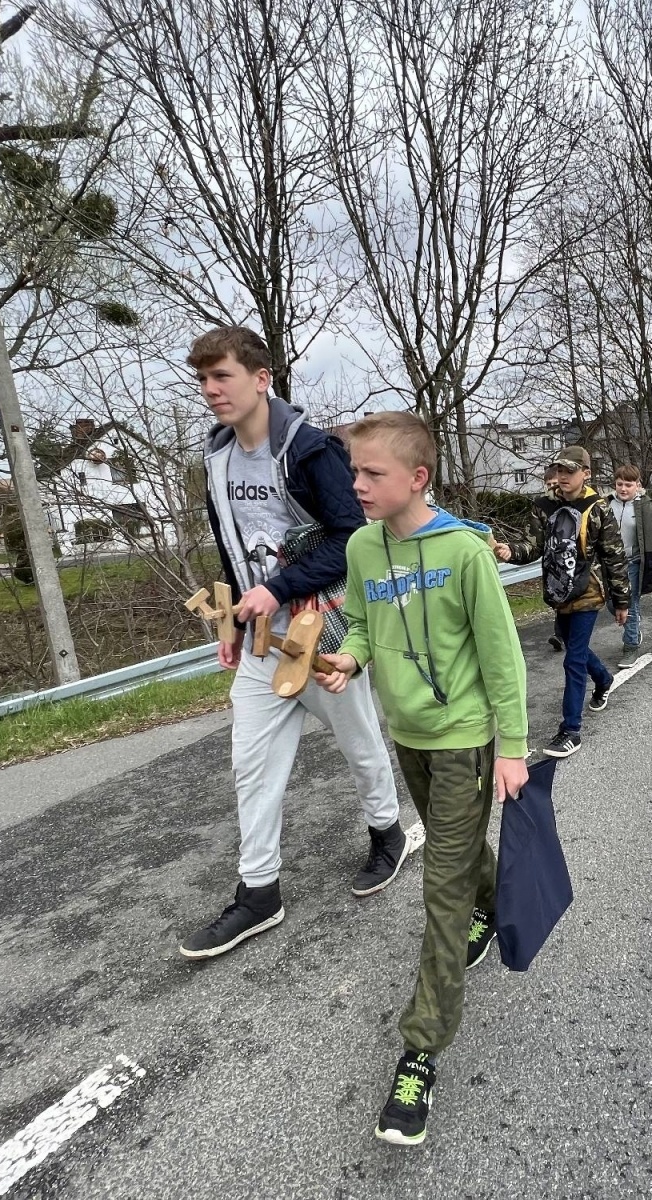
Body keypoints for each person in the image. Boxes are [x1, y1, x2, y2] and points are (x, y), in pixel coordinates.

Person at [312, 412, 528, 1148]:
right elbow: (368, 623)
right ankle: (495, 904)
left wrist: (513, 746)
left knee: (440, 884)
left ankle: (421, 1052)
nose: (357, 484)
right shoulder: (364, 547)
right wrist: (351, 659)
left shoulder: (464, 551)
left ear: (417, 477)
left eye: (372, 473)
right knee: (452, 844)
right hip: (407, 735)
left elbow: (501, 654)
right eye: (354, 471)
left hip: (465, 739)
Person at [184, 326, 405, 960]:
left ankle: (387, 834)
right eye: (202, 379)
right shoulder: (217, 459)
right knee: (251, 765)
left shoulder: (311, 452)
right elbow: (234, 545)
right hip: (260, 639)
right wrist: (234, 618)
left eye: (221, 376)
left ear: (262, 378)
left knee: (360, 744)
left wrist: (277, 590)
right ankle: (259, 892)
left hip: (324, 629)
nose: (210, 390)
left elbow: (350, 541)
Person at [494, 445, 629, 758]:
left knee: (573, 658)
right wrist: (510, 551)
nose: (563, 476)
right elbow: (533, 545)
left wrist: (622, 602)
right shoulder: (543, 505)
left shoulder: (597, 507)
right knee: (572, 646)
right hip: (559, 591)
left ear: (586, 473)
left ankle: (571, 730)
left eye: (570, 471)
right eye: (559, 470)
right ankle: (604, 679)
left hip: (589, 591)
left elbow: (615, 556)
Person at [610, 464, 652, 665]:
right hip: (610, 565)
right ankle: (635, 628)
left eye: (628, 484)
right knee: (612, 604)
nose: (623, 489)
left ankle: (631, 646)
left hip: (634, 563)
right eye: (620, 484)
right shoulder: (606, 505)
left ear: (638, 485)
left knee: (630, 604)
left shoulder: (648, 507)